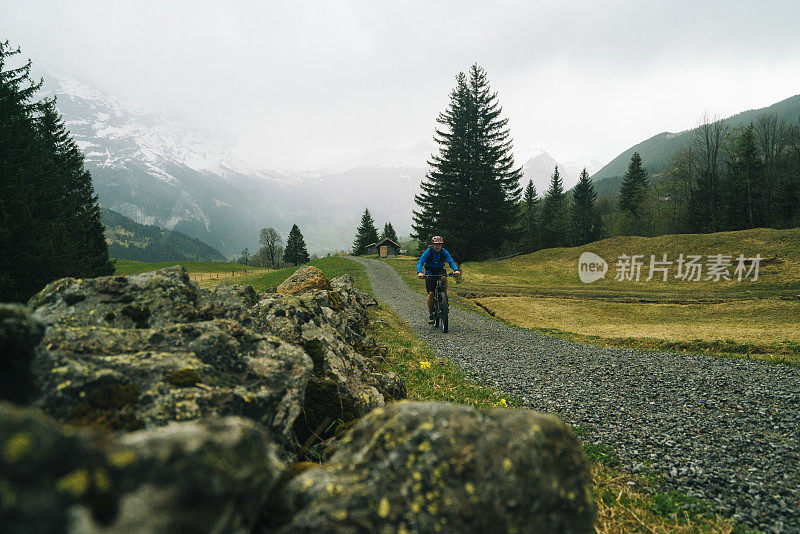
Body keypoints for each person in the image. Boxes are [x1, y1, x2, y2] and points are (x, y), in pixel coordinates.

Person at [417, 236, 460, 323]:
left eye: (439, 245)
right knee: (431, 294)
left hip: (440, 270)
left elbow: (450, 261)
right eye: (436, 245)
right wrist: (419, 272)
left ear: (441, 245)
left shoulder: (444, 252)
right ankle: (431, 314)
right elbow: (421, 262)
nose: (438, 246)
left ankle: (443, 295)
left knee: (444, 278)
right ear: (433, 245)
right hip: (430, 271)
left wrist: (455, 270)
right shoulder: (428, 252)